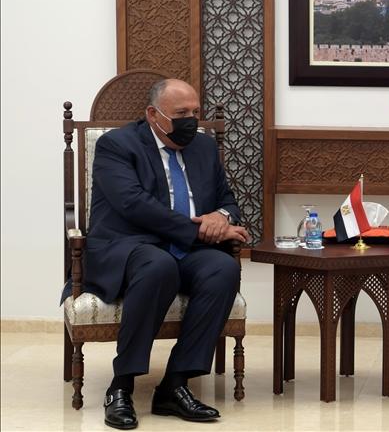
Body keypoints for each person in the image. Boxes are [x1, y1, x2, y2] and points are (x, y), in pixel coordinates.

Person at [63, 79, 249, 429]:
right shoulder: (116, 145)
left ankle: (174, 385)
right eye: (181, 114)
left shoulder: (204, 148)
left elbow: (228, 201)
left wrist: (219, 218)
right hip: (129, 244)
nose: (192, 120)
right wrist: (198, 229)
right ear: (153, 114)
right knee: (158, 266)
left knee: (222, 269)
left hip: (187, 248)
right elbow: (134, 204)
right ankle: (122, 386)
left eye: (196, 112)